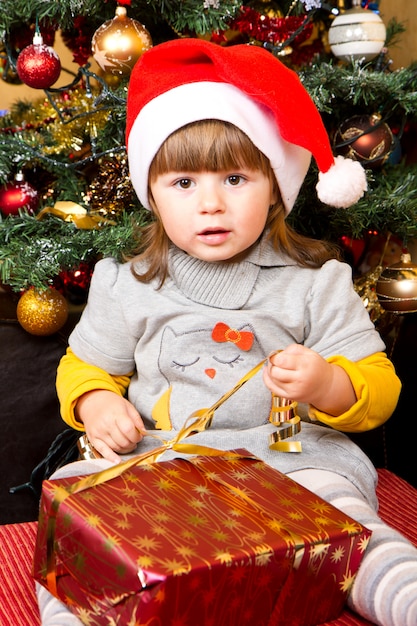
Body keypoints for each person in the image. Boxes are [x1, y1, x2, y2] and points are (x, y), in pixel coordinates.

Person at [37, 39, 417, 626]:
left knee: (348, 517)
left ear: (275, 186)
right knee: (74, 509)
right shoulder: (126, 282)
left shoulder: (316, 281)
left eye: (236, 179)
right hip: (159, 458)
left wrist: (326, 384)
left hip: (284, 461)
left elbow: (379, 390)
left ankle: (401, 595)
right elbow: (86, 366)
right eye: (183, 184)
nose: (210, 204)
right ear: (152, 193)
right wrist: (95, 400)